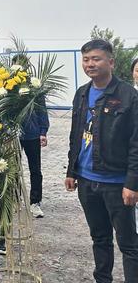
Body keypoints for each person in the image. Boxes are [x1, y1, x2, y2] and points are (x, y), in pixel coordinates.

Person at [65, 39, 138, 282]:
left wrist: (132, 183)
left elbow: (136, 143)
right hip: (87, 181)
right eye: (86, 59)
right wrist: (71, 171)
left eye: (96, 59)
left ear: (111, 62)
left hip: (117, 184)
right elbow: (76, 135)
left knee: (129, 245)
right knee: (100, 238)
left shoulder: (129, 96)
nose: (90, 64)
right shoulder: (82, 94)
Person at [11, 55, 50, 219]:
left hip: (32, 134)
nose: (19, 68)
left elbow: (42, 110)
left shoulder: (35, 87)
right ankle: (15, 199)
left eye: (23, 65)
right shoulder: (8, 86)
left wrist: (43, 131)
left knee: (35, 169)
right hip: (12, 135)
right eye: (16, 65)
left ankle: (35, 202)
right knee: (13, 170)